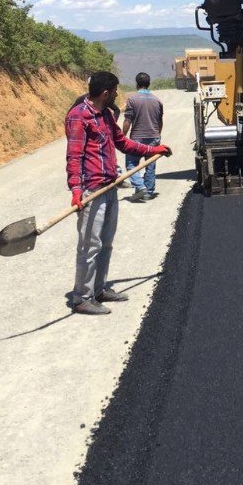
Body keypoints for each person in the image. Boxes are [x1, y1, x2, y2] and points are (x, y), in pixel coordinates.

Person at [66, 70, 171, 315]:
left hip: (110, 185)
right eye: (114, 91)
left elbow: (123, 143)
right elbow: (74, 156)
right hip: (91, 189)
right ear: (105, 93)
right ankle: (82, 297)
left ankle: (99, 289)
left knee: (106, 243)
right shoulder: (78, 117)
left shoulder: (105, 115)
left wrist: (153, 149)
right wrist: (76, 189)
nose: (116, 95)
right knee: (89, 246)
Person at [122, 72, 164, 202]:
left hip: (137, 139)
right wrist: (157, 134)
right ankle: (149, 192)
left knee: (131, 164)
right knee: (150, 165)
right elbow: (160, 121)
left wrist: (122, 136)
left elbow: (128, 120)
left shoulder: (132, 100)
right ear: (149, 84)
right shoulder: (157, 100)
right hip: (154, 137)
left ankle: (140, 187)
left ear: (136, 84)